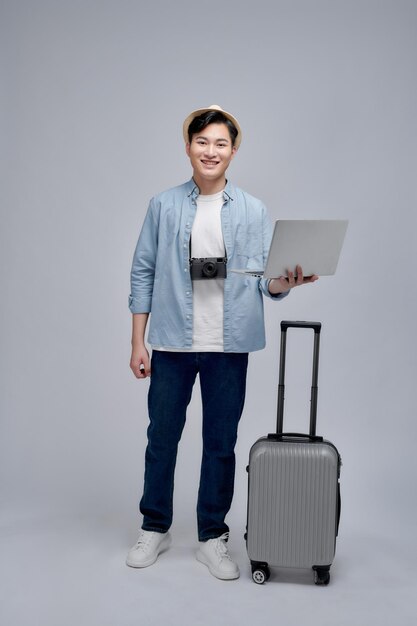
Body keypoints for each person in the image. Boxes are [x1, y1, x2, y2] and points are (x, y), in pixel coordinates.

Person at [126, 104, 318, 580]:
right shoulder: (163, 205)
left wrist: (286, 282)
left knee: (220, 444)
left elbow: (262, 283)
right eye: (202, 141)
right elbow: (143, 271)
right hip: (172, 342)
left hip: (228, 347)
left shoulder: (254, 210)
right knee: (161, 439)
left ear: (234, 150)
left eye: (221, 143)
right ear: (188, 146)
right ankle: (155, 526)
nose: (211, 151)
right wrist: (138, 341)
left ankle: (212, 536)